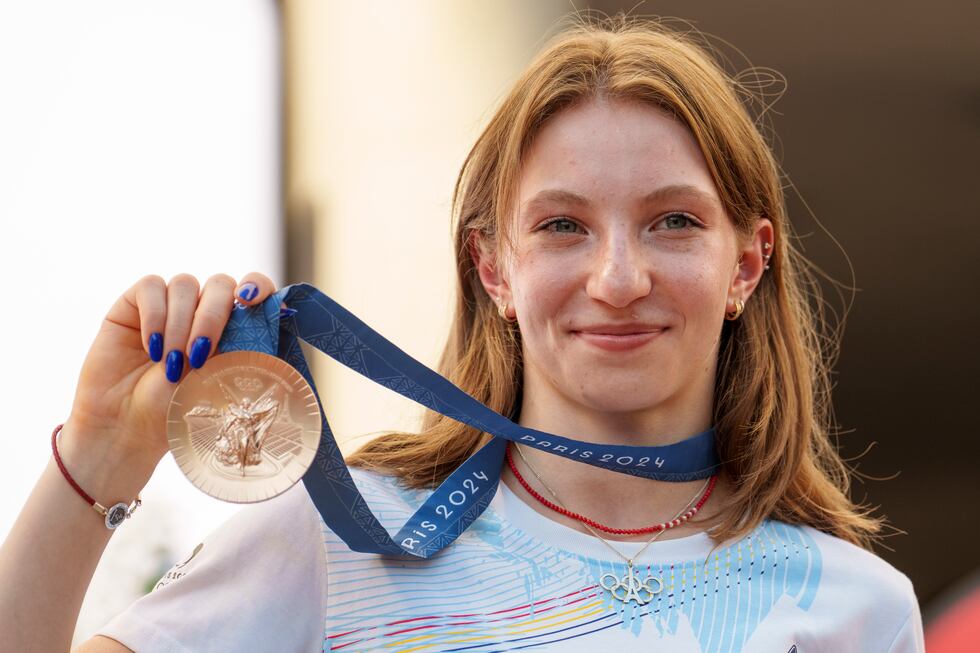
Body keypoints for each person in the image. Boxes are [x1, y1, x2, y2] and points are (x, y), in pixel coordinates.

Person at [0, 14, 924, 652]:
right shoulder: (335, 543)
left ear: (747, 265)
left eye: (673, 221)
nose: (618, 278)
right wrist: (98, 457)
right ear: (494, 269)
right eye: (563, 224)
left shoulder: (856, 607)